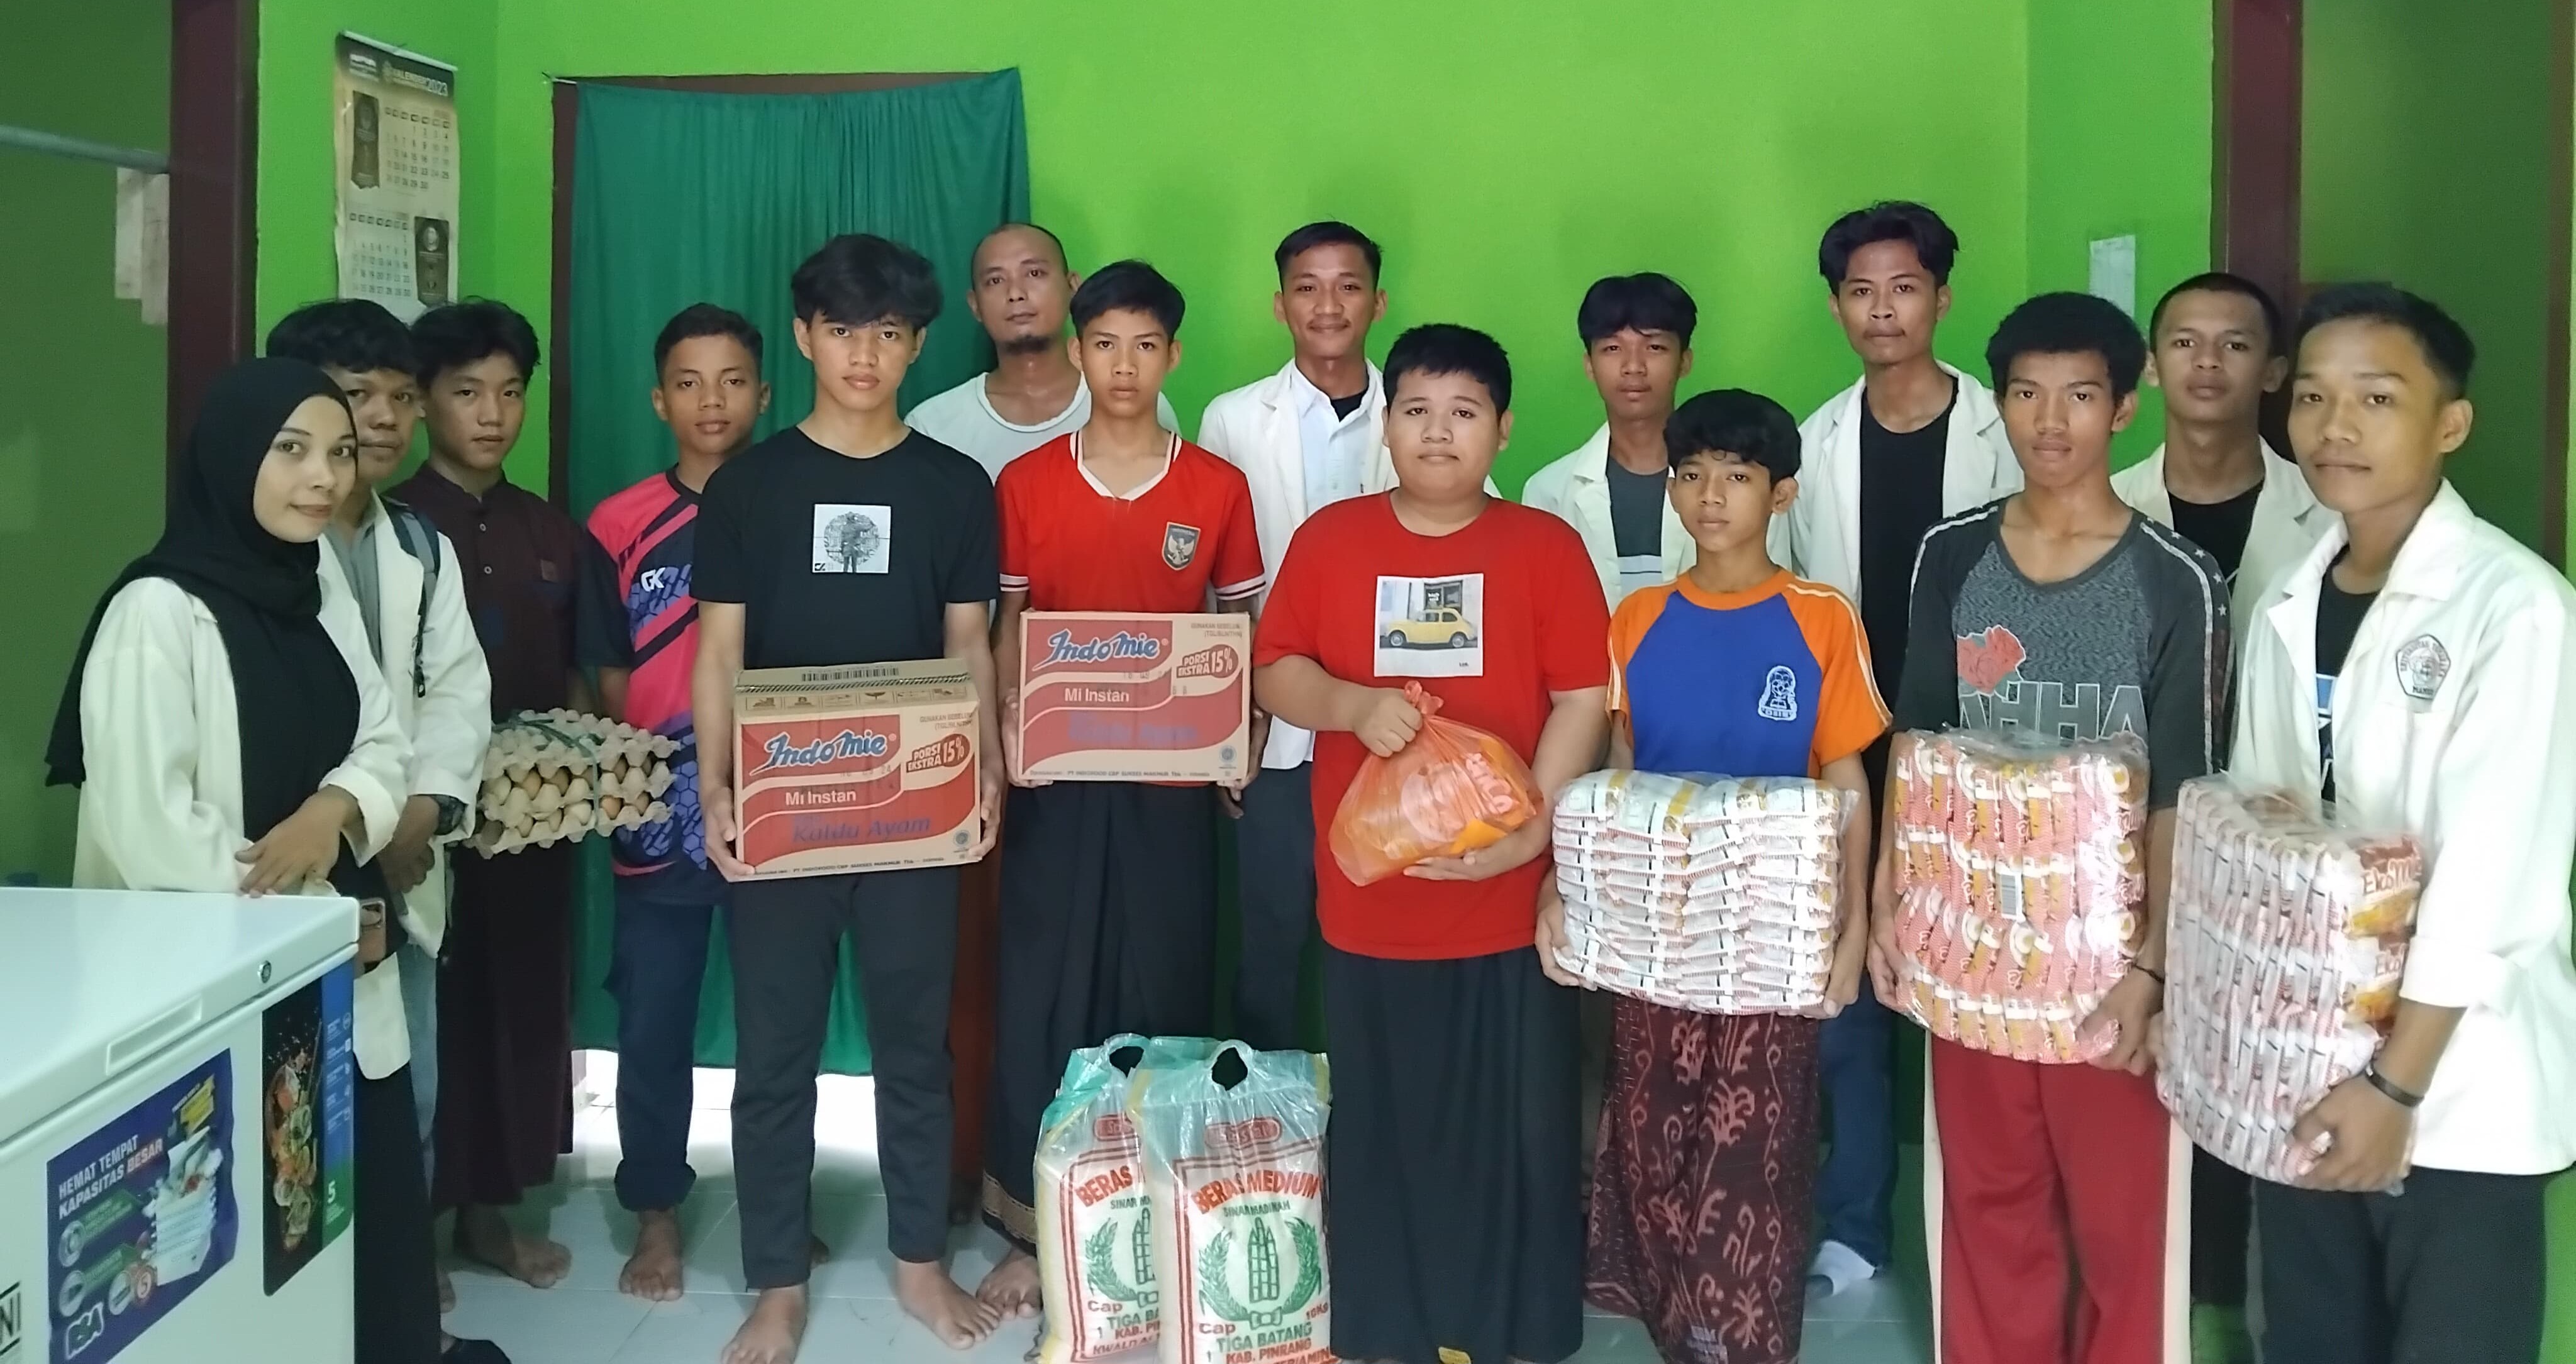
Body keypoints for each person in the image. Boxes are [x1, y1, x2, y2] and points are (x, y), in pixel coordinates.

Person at [45, 358, 447, 1364]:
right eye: (292, 450)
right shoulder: (156, 613)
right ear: (232, 457)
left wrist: (332, 810)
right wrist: (314, 909)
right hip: (219, 1002)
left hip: (336, 986)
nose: (323, 477)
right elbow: (153, 836)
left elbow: (383, 738)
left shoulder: (316, 584)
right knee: (238, 1268)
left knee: (360, 1244)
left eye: (339, 454)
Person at [2224, 284, 2576, 1364]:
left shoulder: (2513, 607)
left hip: (2454, 1084)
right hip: (2307, 1062)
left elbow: (2491, 881)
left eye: (2377, 398)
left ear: (2450, 423)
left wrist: (2394, 1087)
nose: (2336, 426)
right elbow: (2264, 837)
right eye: (2313, 397)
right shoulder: (2287, 597)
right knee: (2313, 1338)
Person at [1873, 292, 2226, 1364]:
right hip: (1970, 946)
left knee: (2126, 1230)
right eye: (2026, 394)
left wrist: (2154, 965)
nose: (2050, 420)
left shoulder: (2177, 578)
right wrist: (1891, 908)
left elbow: (2182, 788)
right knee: (1989, 1210)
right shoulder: (1951, 555)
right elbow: (1916, 740)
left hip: (2109, 968)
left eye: (2078, 395)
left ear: (2123, 408)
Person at [1254, 323, 1611, 1364]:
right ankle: (1391, 1328)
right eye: (1415, 410)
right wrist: (1352, 704)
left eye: (1463, 412)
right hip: (1372, 899)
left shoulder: (1544, 546)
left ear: (1503, 429)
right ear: (1387, 427)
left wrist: (1529, 834)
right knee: (1383, 1119)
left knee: (1518, 1125)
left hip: (1506, 901)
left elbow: (1581, 697)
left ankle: (1513, 1326)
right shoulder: (1332, 540)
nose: (1438, 432)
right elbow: (1276, 668)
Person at [691, 233, 1007, 1361]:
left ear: (917, 344)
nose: (864, 353)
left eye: (888, 332)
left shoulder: (954, 486)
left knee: (915, 1047)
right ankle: (777, 1283)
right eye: (841, 329)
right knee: (774, 1054)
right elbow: (718, 652)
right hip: (782, 817)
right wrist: (716, 785)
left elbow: (969, 648)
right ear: (805, 336)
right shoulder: (749, 486)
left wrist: (984, 776)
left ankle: (920, 1264)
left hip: (914, 813)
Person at [1540, 389, 1883, 1364]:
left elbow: (1846, 780)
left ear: (1782, 494)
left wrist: (1853, 929)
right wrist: (1568, 891)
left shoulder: (1822, 618)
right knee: (1654, 1127)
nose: (1710, 496)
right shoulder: (1637, 618)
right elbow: (1616, 774)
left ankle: (1738, 1332)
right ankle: (1668, 1313)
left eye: (1737, 476)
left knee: (1755, 1142)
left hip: (1776, 933)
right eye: (1691, 475)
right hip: (1657, 930)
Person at [974, 261, 1267, 1316]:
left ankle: (1157, 1223)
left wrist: (1241, 739)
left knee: (1167, 976)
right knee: (1044, 988)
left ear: (1172, 356)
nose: (1125, 365)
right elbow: (1010, 627)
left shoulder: (1216, 488)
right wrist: (1003, 741)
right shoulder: (1027, 483)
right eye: (1105, 344)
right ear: (1078, 351)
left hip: (1171, 782)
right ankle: (1032, 1229)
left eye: (1146, 345)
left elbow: (1239, 626)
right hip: (1056, 777)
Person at [1782, 200, 2022, 1298]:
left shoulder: (2006, 428)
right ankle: (1858, 1223)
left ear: (1942, 298)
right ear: (1837, 306)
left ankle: (1984, 1233)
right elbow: (1798, 602)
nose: (1883, 310)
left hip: (1981, 750)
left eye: (1905, 287)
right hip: (1855, 745)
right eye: (1861, 291)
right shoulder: (1817, 439)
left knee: (1984, 988)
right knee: (1850, 989)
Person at [2107, 271, 2324, 1364]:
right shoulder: (2108, 501)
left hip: (2273, 841)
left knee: (2262, 1059)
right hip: (2133, 826)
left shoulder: (2325, 510)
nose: (2207, 362)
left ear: (2273, 370)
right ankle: (2168, 1294)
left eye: (2235, 344)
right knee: (2148, 1063)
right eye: (2184, 341)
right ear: (2151, 368)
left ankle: (2238, 1301)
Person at [265, 301, 493, 1202]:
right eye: (360, 396)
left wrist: (424, 811)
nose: (387, 419)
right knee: (299, 1114)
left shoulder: (420, 546)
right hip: (303, 856)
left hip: (406, 854)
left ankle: (406, 1271)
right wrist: (363, 819)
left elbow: (458, 691)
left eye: (402, 397)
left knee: (409, 1086)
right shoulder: (269, 546)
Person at [391, 299, 594, 1291]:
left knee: (519, 1009)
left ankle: (489, 1215)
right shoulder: (389, 528)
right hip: (417, 831)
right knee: (428, 1022)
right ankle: (409, 1241)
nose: (492, 414)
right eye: (467, 392)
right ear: (424, 401)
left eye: (511, 393)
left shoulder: (552, 531)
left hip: (532, 831)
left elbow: (582, 681)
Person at [583, 303, 772, 1302]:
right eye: (690, 383)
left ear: (764, 394)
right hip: (656, 797)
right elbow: (609, 674)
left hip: (781, 793)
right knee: (655, 1016)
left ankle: (777, 1206)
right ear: (659, 400)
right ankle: (655, 1209)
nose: (713, 401)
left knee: (778, 1016)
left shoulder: (793, 503)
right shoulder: (618, 523)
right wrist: (645, 771)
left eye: (733, 380)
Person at [1199, 219, 1392, 1054]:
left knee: (1381, 947)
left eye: (1348, 286)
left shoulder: (1420, 412)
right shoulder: (1235, 420)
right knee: (1269, 944)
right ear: (1280, 305)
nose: (1328, 305)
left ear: (1378, 302)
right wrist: (1224, 729)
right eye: (1307, 288)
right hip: (1272, 735)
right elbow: (1213, 588)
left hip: (1390, 726)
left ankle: (1375, 1116)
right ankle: (1263, 1127)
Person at [903, 222, 1178, 479]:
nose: (1016, 294)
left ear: (1072, 286)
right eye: (995, 281)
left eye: (1034, 273)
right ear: (975, 305)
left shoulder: (1136, 400)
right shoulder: (933, 426)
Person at [1521, 272, 1701, 606]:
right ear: (1589, 365)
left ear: (1684, 362)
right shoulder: (1548, 493)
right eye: (1613, 348)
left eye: (1655, 347)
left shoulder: (1743, 483)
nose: (1633, 366)